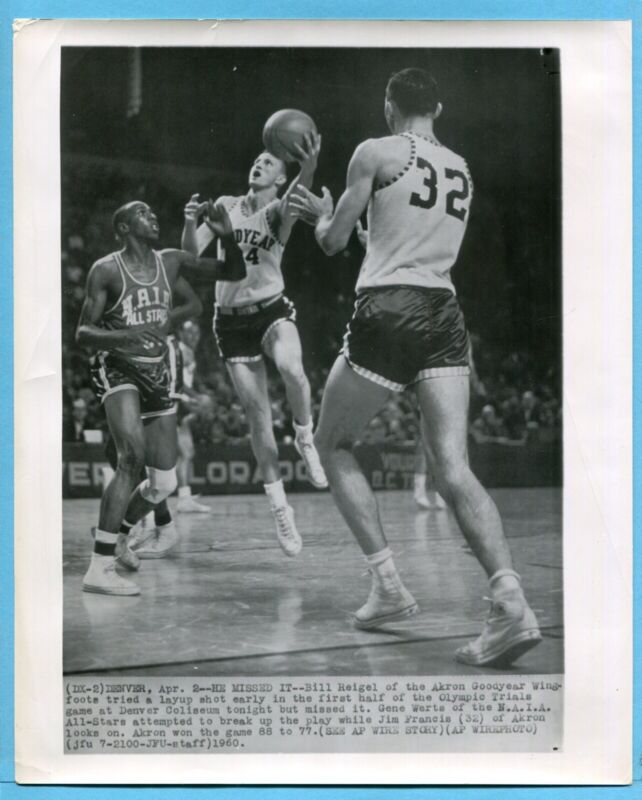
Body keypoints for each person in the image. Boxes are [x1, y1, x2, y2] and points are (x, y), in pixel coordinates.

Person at [289, 68, 541, 667]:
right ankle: (510, 602)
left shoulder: (374, 151)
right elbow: (392, 234)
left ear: (388, 105)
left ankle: (388, 585)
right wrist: (346, 221)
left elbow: (331, 242)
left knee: (332, 442)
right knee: (453, 467)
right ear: (439, 108)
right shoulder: (460, 167)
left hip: (390, 307)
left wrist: (319, 214)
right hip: (444, 312)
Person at [77, 199, 245, 595]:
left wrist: (228, 238)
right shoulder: (105, 270)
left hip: (156, 370)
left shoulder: (170, 261)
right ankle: (98, 569)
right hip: (117, 366)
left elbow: (233, 271)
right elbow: (84, 333)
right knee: (130, 458)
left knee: (164, 482)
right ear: (123, 228)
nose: (153, 216)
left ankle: (118, 535)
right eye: (142, 213)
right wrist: (128, 336)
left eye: (154, 212)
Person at [182, 134, 328, 558]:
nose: (259, 164)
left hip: (271, 310)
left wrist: (310, 165)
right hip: (230, 324)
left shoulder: (278, 211)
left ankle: (304, 436)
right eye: (257, 159)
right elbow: (191, 258)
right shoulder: (225, 204)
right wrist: (191, 220)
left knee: (293, 371)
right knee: (258, 419)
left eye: (268, 163)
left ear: (280, 179)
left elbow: (301, 190)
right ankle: (281, 509)